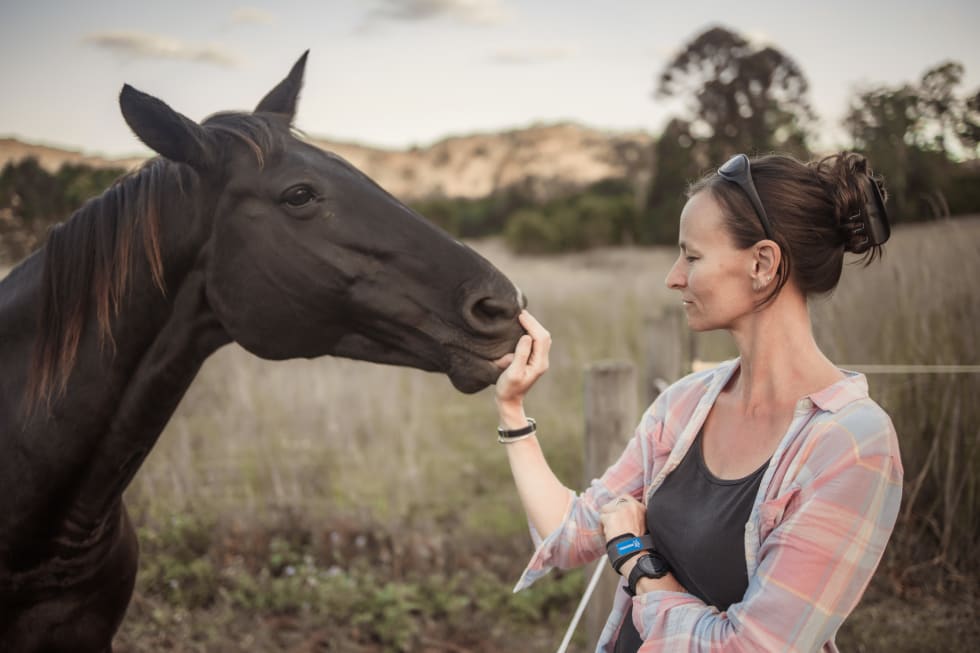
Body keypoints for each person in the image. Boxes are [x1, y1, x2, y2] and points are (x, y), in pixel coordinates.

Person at [491, 152, 904, 652]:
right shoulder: (685, 405)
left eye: (692, 256)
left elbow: (749, 647)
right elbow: (573, 534)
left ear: (762, 263)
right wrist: (513, 410)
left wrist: (636, 561)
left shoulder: (853, 445)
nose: (673, 277)